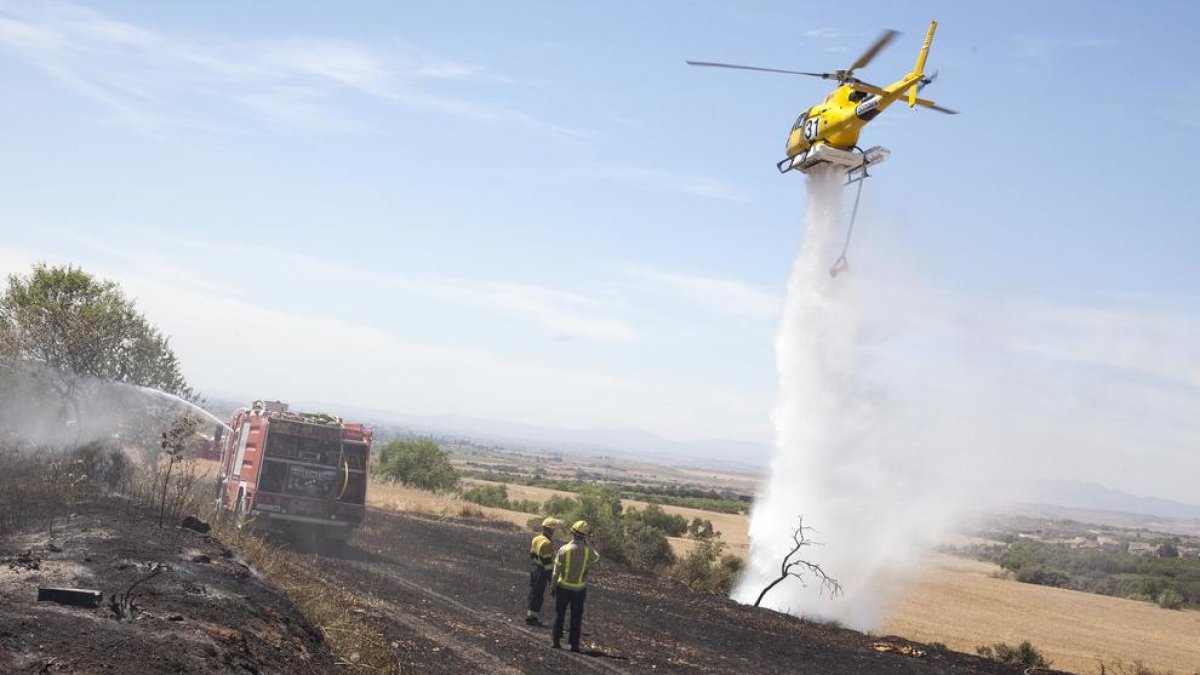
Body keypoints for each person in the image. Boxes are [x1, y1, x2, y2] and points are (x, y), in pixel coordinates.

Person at [550, 520, 600, 652]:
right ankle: (574, 645)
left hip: (563, 588)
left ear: (572, 532)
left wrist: (553, 587)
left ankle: (556, 641)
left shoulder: (563, 550)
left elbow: (556, 572)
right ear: (583, 536)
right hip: (579, 590)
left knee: (559, 614)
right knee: (576, 617)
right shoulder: (587, 551)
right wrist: (587, 543)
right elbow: (596, 558)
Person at [526, 517, 560, 625]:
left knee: (533, 593)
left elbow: (532, 554)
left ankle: (530, 615)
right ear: (552, 529)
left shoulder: (536, 538)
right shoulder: (547, 543)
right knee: (538, 595)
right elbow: (547, 564)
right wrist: (552, 580)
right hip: (541, 571)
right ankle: (533, 618)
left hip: (534, 568)